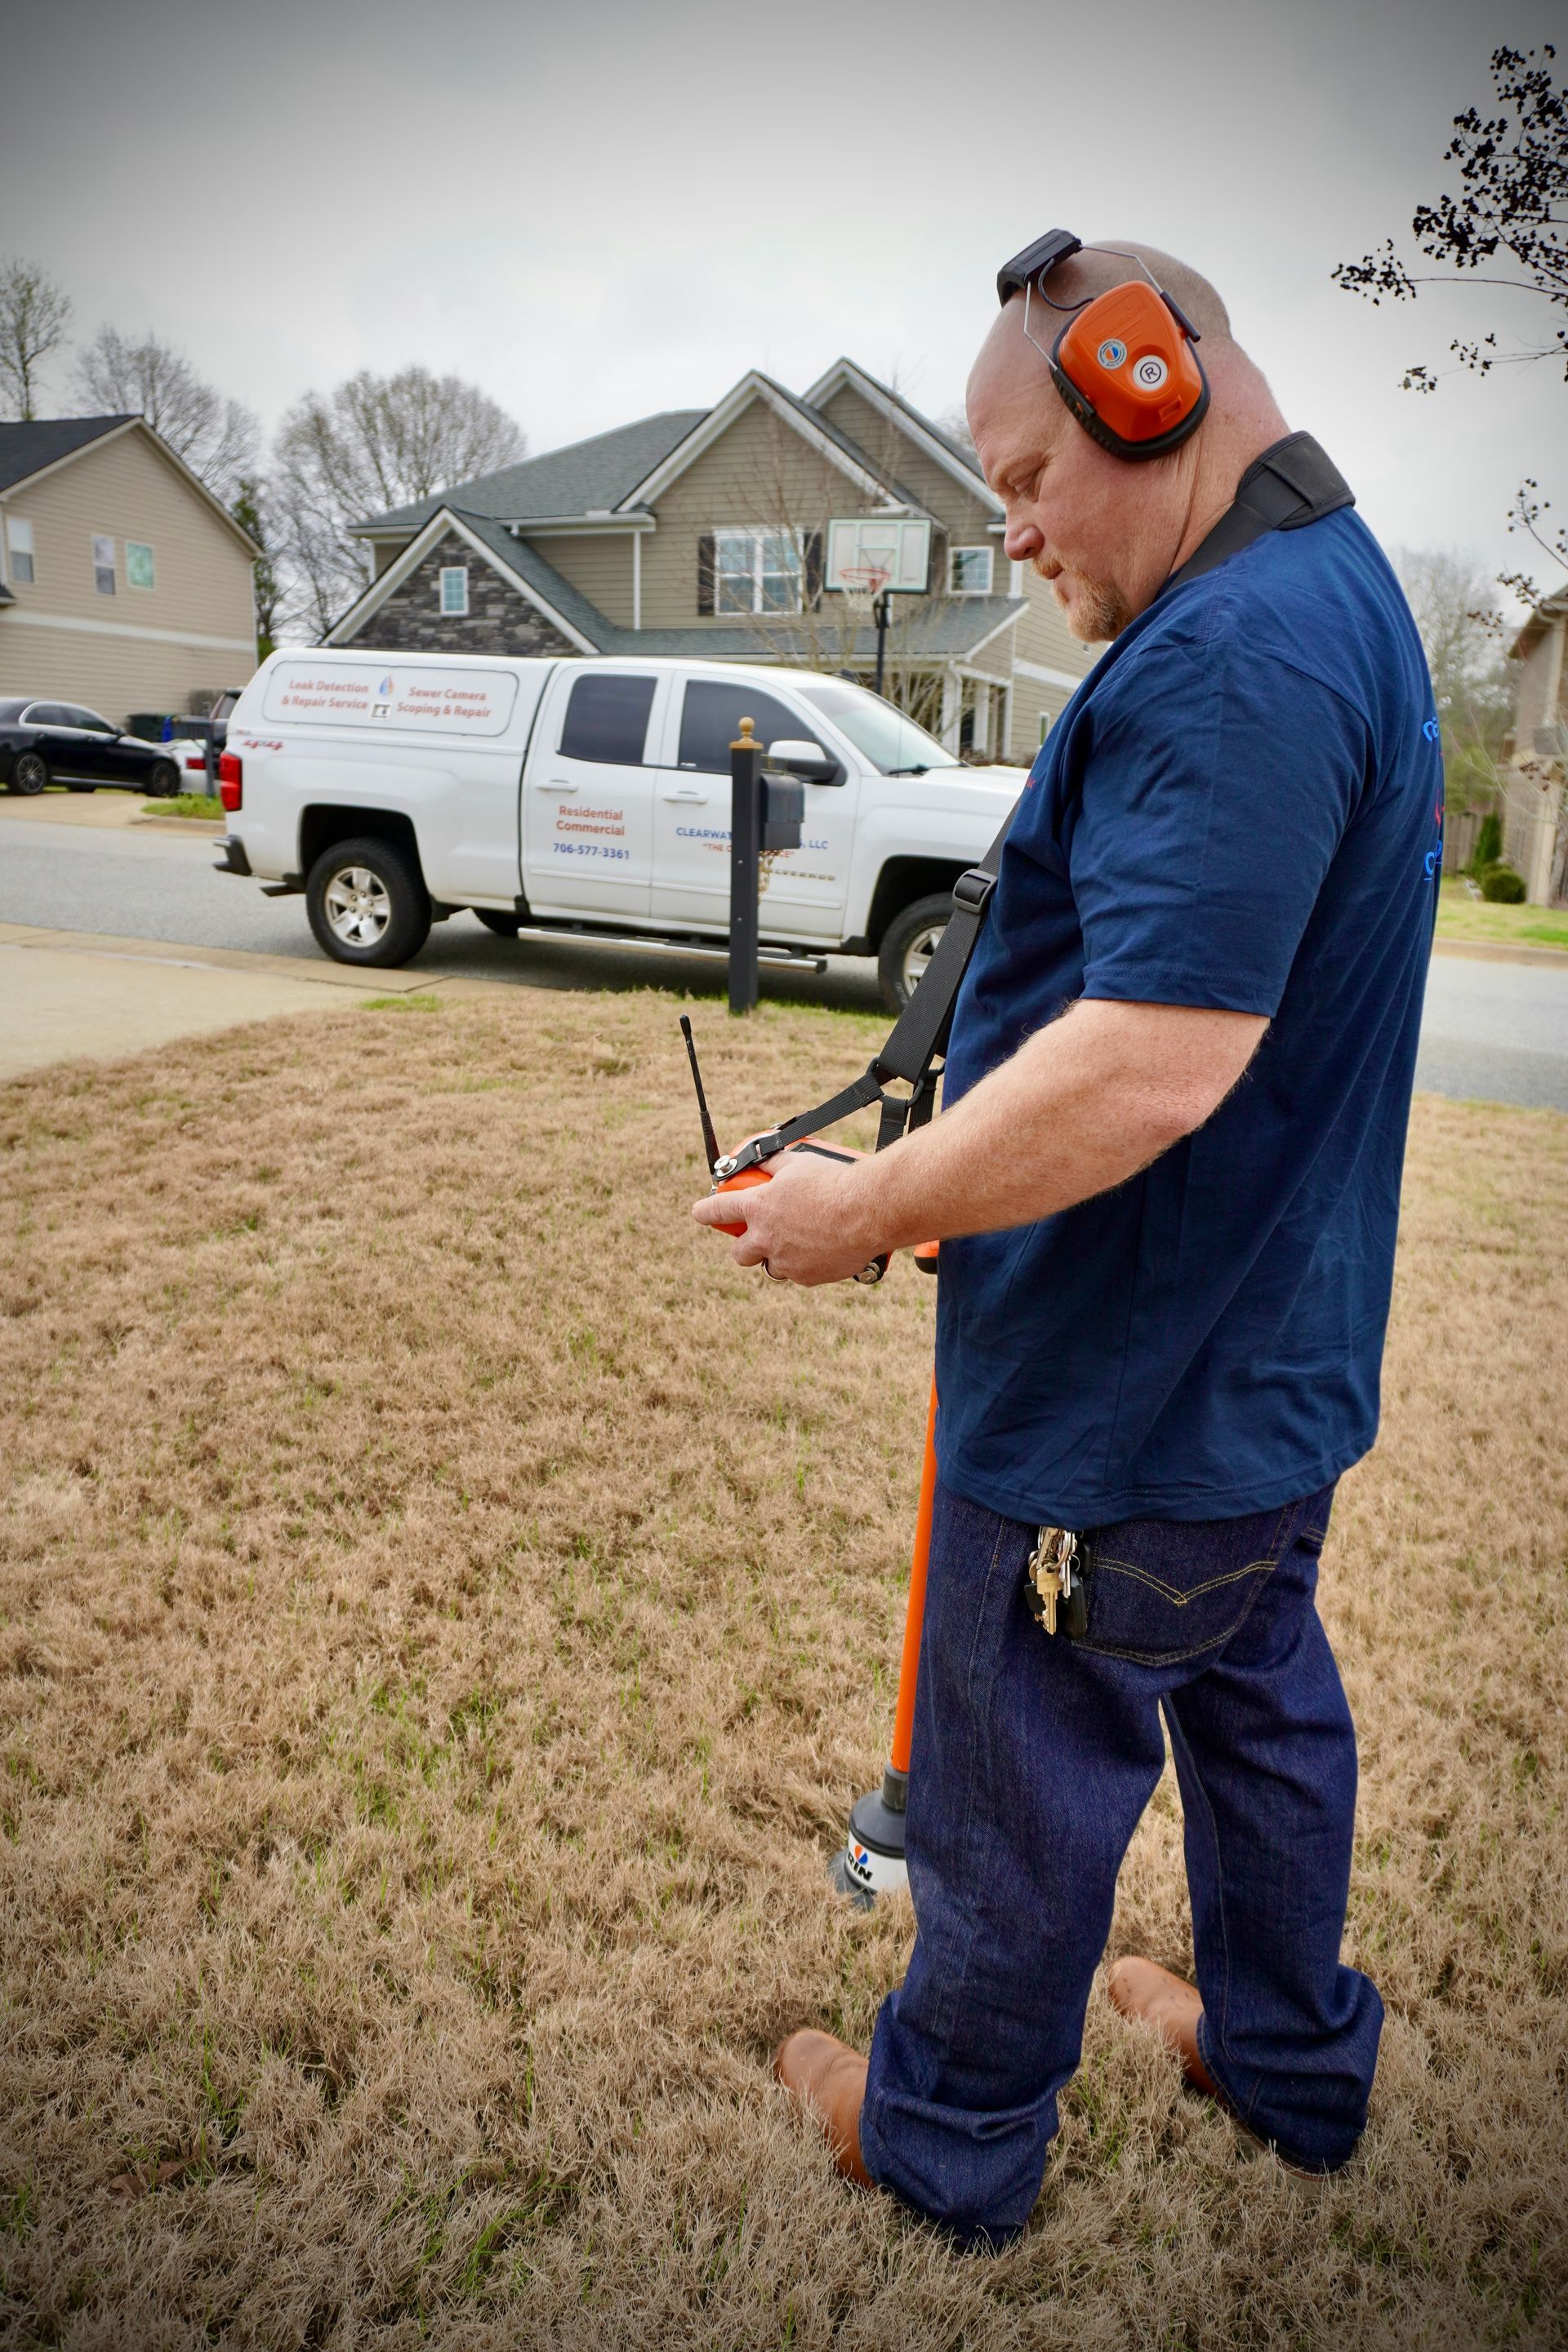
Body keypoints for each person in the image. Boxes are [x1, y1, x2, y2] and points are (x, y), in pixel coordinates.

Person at [691, 234, 1443, 2248]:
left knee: (1026, 1753)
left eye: (1024, 477)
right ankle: (1286, 2060)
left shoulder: (1236, 657)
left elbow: (1149, 1069)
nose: (1008, 529)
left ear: (1147, 385)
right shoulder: (1328, 597)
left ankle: (942, 2135)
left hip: (1130, 1396)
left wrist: (868, 1210)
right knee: (1259, 1694)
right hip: (1260, 1370)